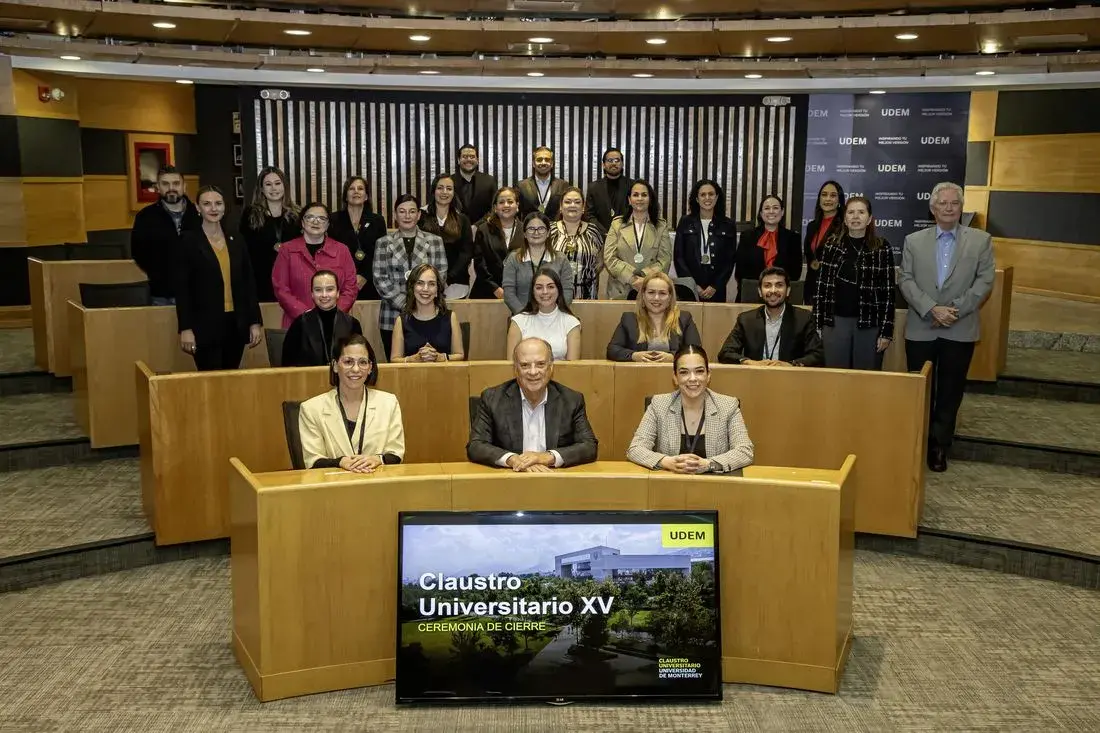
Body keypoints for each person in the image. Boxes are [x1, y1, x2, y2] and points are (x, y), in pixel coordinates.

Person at [900, 181, 995, 473]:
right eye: (943, 203)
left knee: (950, 391)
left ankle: (939, 445)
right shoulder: (913, 241)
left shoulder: (981, 240)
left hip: (959, 326)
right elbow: (905, 279)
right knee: (920, 387)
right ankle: (918, 439)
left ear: (961, 207)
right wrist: (931, 308)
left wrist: (955, 310)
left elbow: (985, 281)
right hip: (921, 326)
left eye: (954, 203)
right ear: (933, 208)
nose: (949, 208)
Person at [466, 337, 598, 471]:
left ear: (551, 367)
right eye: (525, 365)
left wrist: (547, 457)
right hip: (511, 477)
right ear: (515, 369)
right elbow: (476, 445)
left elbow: (589, 446)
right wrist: (512, 459)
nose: (533, 372)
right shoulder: (492, 399)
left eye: (540, 364)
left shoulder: (571, 400)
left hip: (554, 478)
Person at [627, 344, 754, 474]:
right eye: (684, 372)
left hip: (714, 484)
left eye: (699, 371)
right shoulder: (659, 404)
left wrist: (709, 464)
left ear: (708, 375)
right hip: (669, 483)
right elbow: (635, 449)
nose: (693, 378)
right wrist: (667, 462)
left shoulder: (728, 406)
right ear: (675, 377)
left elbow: (745, 451)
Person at [174, 185, 263, 371]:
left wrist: (255, 322)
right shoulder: (188, 241)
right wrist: (186, 328)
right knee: (211, 380)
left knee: (230, 378)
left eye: (218, 203)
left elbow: (249, 284)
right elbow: (183, 289)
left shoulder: (236, 239)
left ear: (224, 207)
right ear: (198, 208)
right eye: (207, 204)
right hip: (203, 326)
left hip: (236, 323)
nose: (213, 208)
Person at [298, 334, 405, 472]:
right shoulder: (311, 409)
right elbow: (313, 461)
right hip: (333, 484)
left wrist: (377, 459)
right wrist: (340, 462)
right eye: (348, 362)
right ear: (335, 366)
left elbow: (396, 454)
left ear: (370, 367)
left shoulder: (389, 403)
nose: (355, 369)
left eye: (363, 362)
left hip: (376, 481)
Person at [812, 196, 895, 371]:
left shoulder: (882, 247)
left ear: (869, 218)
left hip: (869, 324)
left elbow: (888, 293)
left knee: (865, 378)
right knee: (835, 376)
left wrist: (886, 331)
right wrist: (817, 324)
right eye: (851, 212)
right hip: (835, 322)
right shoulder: (832, 245)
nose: (855, 217)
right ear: (845, 218)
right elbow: (820, 287)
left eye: (861, 212)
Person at [373, 194, 448, 359]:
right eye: (402, 211)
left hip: (428, 314)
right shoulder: (383, 243)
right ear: (395, 215)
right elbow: (380, 278)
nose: (407, 216)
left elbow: (440, 275)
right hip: (392, 315)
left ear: (419, 215)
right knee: (397, 366)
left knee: (429, 363)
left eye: (412, 211)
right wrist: (407, 304)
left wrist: (419, 302)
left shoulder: (435, 241)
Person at [272, 201, 358, 329]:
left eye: (322, 218)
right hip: (297, 322)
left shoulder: (342, 250)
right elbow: (281, 288)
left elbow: (350, 287)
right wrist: (306, 316)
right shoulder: (287, 250)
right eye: (310, 217)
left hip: (334, 323)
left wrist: (333, 313)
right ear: (302, 222)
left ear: (328, 224)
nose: (316, 221)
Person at [717, 266, 824, 367]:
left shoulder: (803, 318)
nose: (773, 290)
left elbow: (818, 355)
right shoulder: (746, 320)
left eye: (779, 285)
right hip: (755, 376)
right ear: (760, 291)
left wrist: (790, 365)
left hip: (789, 377)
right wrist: (750, 363)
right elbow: (725, 353)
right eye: (767, 286)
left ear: (788, 291)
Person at [131, 165, 200, 305]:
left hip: (198, 293)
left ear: (184, 187)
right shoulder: (145, 217)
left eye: (176, 183)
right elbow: (138, 253)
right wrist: (159, 275)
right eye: (165, 184)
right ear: (157, 187)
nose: (171, 188)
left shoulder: (199, 215)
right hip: (161, 294)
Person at [607, 272, 701, 362]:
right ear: (643, 295)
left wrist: (673, 357)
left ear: (670, 297)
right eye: (651, 292)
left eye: (662, 293)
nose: (656, 298)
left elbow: (695, 350)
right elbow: (612, 350)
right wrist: (633, 355)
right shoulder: (629, 319)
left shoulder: (684, 319)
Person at [239, 166, 301, 303]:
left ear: (284, 186)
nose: (274, 188)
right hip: (260, 280)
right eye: (268, 184)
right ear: (261, 189)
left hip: (291, 280)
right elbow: (244, 249)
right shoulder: (251, 214)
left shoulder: (296, 215)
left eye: (277, 183)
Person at [603, 179, 672, 300]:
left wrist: (645, 279)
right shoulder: (617, 224)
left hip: (651, 289)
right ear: (629, 200)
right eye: (635, 195)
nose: (640, 198)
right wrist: (632, 279)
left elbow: (664, 260)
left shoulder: (661, 226)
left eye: (644, 195)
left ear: (650, 199)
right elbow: (609, 258)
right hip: (620, 289)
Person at [282, 270, 363, 367]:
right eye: (318, 290)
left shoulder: (352, 324)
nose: (324, 295)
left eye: (329, 289)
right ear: (312, 294)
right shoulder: (300, 324)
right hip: (308, 376)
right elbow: (287, 365)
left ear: (338, 293)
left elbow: (359, 361)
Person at [674, 179, 737, 302]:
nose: (707, 198)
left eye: (711, 194)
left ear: (717, 197)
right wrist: (692, 284)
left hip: (716, 286)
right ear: (697, 199)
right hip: (690, 283)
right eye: (703, 195)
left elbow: (729, 260)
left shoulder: (728, 224)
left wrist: (715, 285)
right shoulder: (685, 222)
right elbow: (679, 257)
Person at [328, 176, 388, 301]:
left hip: (370, 281)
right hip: (341, 282)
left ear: (366, 196)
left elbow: (381, 253)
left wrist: (365, 275)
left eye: (360, 189)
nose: (356, 191)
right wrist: (349, 278)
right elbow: (331, 252)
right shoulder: (333, 220)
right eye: (351, 189)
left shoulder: (377, 221)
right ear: (346, 196)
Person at [502, 211, 574, 315]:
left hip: (554, 318)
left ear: (548, 233)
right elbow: (509, 294)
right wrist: (524, 317)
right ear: (524, 233)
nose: (536, 233)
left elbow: (567, 292)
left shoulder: (561, 259)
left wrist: (554, 315)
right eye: (531, 229)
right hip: (522, 318)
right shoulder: (513, 259)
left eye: (541, 228)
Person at [734, 194, 803, 302]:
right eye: (767, 208)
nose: (771, 211)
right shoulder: (747, 236)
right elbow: (740, 271)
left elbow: (795, 273)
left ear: (782, 212)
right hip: (752, 293)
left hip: (782, 297)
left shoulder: (793, 238)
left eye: (775, 208)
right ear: (761, 213)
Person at [391, 263, 465, 363]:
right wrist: (413, 359)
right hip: (413, 373)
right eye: (420, 283)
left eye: (431, 284)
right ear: (412, 288)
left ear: (437, 289)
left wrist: (441, 357)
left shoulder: (451, 317)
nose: (425, 289)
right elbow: (394, 360)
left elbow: (460, 355)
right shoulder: (402, 320)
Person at [506, 268, 581, 361]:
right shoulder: (518, 322)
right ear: (533, 292)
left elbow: (572, 367)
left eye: (551, 287)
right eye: (539, 288)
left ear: (559, 290)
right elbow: (511, 365)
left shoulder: (572, 323)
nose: (545, 292)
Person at [420, 173, 475, 290]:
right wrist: (431, 279)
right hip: (425, 284)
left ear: (454, 193)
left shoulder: (463, 219)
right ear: (433, 191)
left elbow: (466, 253)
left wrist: (448, 278)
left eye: (449, 188)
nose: (444, 192)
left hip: (456, 283)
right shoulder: (421, 217)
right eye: (440, 188)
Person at [550, 186, 604, 300]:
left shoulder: (593, 231)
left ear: (583, 207)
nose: (572, 205)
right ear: (561, 207)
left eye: (577, 202)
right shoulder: (550, 231)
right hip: (555, 295)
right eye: (568, 202)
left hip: (587, 294)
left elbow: (600, 262)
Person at [472, 186, 522, 300]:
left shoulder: (525, 230)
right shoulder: (484, 230)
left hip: (519, 293)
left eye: (510, 202)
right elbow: (480, 264)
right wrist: (495, 288)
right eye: (501, 202)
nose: (506, 205)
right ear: (495, 208)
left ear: (517, 205)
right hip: (486, 292)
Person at [803, 180, 845, 304]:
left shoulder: (844, 227)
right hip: (812, 288)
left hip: (834, 290)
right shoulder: (812, 226)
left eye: (833, 195)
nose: (828, 199)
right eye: (824, 194)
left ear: (839, 200)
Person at [515, 146, 572, 220]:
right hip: (530, 227)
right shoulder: (521, 186)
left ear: (552, 164)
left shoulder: (563, 185)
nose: (543, 162)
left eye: (547, 160)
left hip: (555, 227)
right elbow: (516, 213)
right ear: (533, 164)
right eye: (539, 160)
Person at [584, 147, 631, 231]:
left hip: (626, 234)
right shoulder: (593, 187)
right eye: (610, 160)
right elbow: (589, 215)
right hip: (601, 235)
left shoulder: (632, 186)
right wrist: (605, 232)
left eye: (617, 160)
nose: (614, 163)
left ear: (622, 164)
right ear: (603, 165)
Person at [452, 144, 498, 226]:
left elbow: (495, 208)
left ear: (477, 160)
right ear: (458, 160)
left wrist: (477, 226)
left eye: (472, 157)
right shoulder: (449, 182)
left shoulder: (489, 181)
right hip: (454, 229)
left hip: (483, 229)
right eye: (465, 157)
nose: (468, 159)